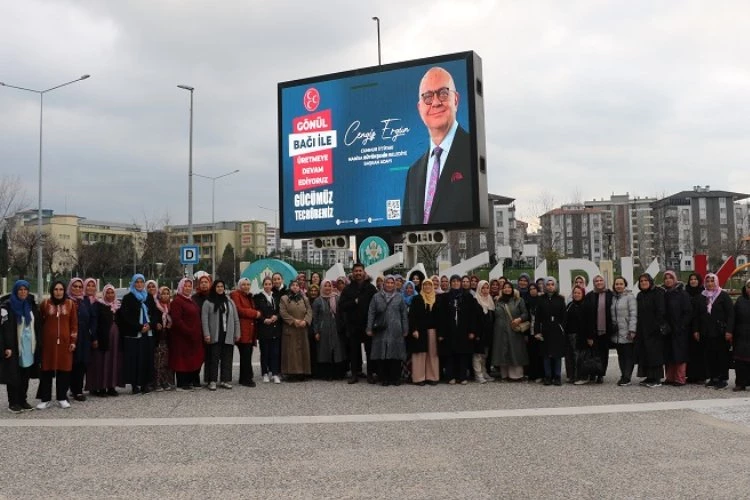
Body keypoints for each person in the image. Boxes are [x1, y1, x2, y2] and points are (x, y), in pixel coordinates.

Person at [402, 67, 472, 225]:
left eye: (443, 93)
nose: (435, 102)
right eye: (427, 96)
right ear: (420, 108)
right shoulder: (413, 173)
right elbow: (406, 231)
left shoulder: (473, 153)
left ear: (456, 99)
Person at [0, 280, 40, 413]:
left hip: (29, 346)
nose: (23, 292)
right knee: (13, 375)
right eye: (20, 290)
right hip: (14, 346)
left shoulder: (30, 305)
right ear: (16, 291)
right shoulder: (7, 306)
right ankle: (13, 402)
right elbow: (5, 329)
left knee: (25, 374)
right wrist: (7, 347)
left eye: (25, 290)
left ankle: (23, 400)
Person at [36, 281, 78, 409]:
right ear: (51, 291)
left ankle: (62, 397)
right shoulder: (45, 304)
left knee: (64, 370)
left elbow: (74, 324)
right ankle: (45, 398)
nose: (58, 292)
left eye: (61, 289)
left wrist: (73, 341)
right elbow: (39, 323)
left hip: (65, 344)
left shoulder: (70, 304)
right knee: (46, 371)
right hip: (48, 344)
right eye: (55, 289)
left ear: (64, 291)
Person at [693, 273, 734, 389]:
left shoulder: (723, 295)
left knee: (721, 355)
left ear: (716, 282)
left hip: (720, 332)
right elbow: (696, 315)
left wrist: (729, 330)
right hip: (705, 331)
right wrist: (696, 330)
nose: (710, 283)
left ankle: (722, 378)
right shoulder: (702, 296)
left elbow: (731, 314)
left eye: (712, 281)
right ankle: (713, 377)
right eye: (708, 281)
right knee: (709, 355)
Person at [118, 274, 156, 394]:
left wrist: (150, 325)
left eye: (141, 282)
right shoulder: (128, 298)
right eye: (137, 282)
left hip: (148, 333)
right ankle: (135, 385)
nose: (139, 284)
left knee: (146, 359)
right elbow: (126, 317)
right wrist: (139, 327)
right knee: (134, 359)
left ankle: (145, 383)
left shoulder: (149, 297)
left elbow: (155, 313)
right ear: (133, 283)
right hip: (134, 334)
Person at [339, 263, 378, 384]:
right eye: (356, 271)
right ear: (352, 273)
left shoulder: (371, 288)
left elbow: (376, 306)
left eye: (360, 271)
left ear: (364, 272)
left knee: (369, 350)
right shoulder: (347, 289)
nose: (358, 273)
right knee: (354, 351)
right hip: (353, 325)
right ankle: (354, 374)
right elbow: (342, 306)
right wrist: (353, 302)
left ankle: (370, 374)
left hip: (367, 324)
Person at [367, 275, 408, 386]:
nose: (389, 285)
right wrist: (369, 328)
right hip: (381, 329)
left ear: (394, 284)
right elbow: (371, 313)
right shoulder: (376, 297)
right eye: (387, 283)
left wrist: (405, 329)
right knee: (382, 353)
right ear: (383, 284)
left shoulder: (399, 297)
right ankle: (384, 378)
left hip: (396, 329)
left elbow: (404, 314)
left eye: (391, 283)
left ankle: (395, 378)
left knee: (396, 353)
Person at [437, 275, 476, 385]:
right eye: (453, 281)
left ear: (460, 283)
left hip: (463, 330)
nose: (455, 283)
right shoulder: (445, 297)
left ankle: (462, 376)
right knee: (450, 354)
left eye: (457, 281)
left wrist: (472, 331)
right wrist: (441, 333)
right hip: (449, 330)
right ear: (450, 283)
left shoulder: (467, 297)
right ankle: (451, 376)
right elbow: (441, 316)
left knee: (462, 354)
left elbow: (472, 316)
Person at [201, 280, 240, 390]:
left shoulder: (229, 302)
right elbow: (204, 319)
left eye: (222, 286)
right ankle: (212, 380)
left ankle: (225, 380)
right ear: (214, 288)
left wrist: (237, 333)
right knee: (213, 358)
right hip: (214, 334)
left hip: (227, 333)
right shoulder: (208, 302)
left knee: (227, 357)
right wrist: (206, 334)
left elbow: (235, 318)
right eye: (217, 286)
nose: (220, 288)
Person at [87, 284, 122, 397]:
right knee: (101, 363)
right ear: (104, 293)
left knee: (113, 361)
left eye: (112, 292)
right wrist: (95, 338)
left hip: (115, 339)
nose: (110, 295)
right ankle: (100, 387)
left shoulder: (117, 306)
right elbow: (94, 323)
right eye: (108, 292)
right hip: (102, 338)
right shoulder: (99, 305)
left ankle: (111, 386)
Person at [169, 278, 204, 391]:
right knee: (182, 360)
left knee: (192, 359)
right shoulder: (177, 301)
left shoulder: (190, 300)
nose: (188, 288)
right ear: (180, 287)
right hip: (182, 337)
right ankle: (182, 383)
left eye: (190, 286)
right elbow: (177, 320)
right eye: (186, 286)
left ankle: (190, 381)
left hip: (193, 336)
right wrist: (188, 331)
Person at [492, 281, 529, 381]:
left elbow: (525, 314)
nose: (507, 289)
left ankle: (516, 375)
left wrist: (519, 319)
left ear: (512, 289)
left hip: (514, 330)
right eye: (505, 287)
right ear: (502, 289)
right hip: (500, 331)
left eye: (509, 287)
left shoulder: (518, 300)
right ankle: (504, 375)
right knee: (503, 352)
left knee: (514, 351)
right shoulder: (498, 301)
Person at [68, 277, 97, 402]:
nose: (78, 289)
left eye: (80, 287)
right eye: (75, 286)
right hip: (70, 336)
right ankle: (67, 389)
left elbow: (92, 318)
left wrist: (92, 334)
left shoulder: (85, 301)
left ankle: (78, 391)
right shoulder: (66, 301)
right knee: (70, 363)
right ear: (70, 287)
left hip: (84, 336)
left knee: (81, 363)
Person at [635, 273, 666, 388]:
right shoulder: (640, 295)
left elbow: (661, 311)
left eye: (645, 280)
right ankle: (649, 376)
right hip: (643, 329)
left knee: (655, 354)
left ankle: (657, 379)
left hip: (654, 329)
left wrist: (656, 325)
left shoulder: (657, 293)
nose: (643, 282)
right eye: (641, 281)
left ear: (650, 281)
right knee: (645, 353)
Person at [662, 270, 692, 386]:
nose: (668, 280)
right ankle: (669, 377)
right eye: (666, 278)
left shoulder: (682, 293)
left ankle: (680, 378)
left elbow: (688, 311)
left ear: (674, 279)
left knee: (680, 354)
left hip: (680, 329)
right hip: (667, 329)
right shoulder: (663, 293)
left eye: (670, 278)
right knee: (668, 354)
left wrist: (682, 325)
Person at [312, 280, 347, 380]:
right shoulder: (318, 300)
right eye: (325, 286)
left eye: (329, 286)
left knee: (337, 351)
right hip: (323, 330)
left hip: (336, 329)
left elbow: (342, 313)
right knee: (324, 351)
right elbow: (315, 318)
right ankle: (326, 374)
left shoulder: (336, 298)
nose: (327, 288)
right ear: (322, 287)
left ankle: (337, 374)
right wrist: (316, 331)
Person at [534, 278, 566, 386]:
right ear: (544, 286)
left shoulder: (560, 299)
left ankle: (557, 376)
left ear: (555, 286)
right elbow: (537, 318)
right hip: (545, 330)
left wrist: (562, 327)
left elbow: (564, 316)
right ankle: (547, 376)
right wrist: (537, 331)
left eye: (552, 284)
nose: (550, 286)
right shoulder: (540, 299)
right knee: (546, 354)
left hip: (557, 330)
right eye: (548, 284)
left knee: (557, 354)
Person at [407, 278, 440, 386]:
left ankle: (432, 377)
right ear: (422, 286)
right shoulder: (417, 298)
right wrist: (414, 329)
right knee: (419, 354)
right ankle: (418, 378)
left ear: (432, 286)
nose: (427, 287)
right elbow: (412, 316)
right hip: (420, 331)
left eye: (429, 285)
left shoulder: (436, 299)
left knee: (432, 354)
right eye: (425, 285)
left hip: (432, 330)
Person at [279, 280, 312, 381]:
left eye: (297, 285)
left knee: (303, 351)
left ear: (299, 287)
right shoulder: (284, 298)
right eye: (293, 285)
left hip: (302, 328)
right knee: (291, 352)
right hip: (291, 329)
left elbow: (309, 310)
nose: (295, 287)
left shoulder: (304, 298)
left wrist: (306, 321)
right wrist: (294, 321)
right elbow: (283, 312)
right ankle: (291, 373)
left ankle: (303, 372)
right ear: (290, 287)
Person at [230, 278, 260, 387]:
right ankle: (247, 378)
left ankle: (243, 378)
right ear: (239, 285)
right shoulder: (235, 295)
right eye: (244, 284)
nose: (246, 286)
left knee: (246, 355)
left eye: (248, 284)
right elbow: (239, 310)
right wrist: (255, 313)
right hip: (242, 330)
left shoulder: (249, 296)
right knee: (245, 354)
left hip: (250, 330)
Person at [583, 275, 613, 383]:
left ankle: (601, 374)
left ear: (604, 282)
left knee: (604, 354)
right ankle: (592, 372)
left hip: (606, 330)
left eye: (601, 280)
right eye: (596, 281)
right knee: (592, 353)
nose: (599, 282)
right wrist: (589, 335)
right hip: (593, 330)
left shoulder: (610, 294)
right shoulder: (589, 296)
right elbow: (586, 316)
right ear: (593, 283)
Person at [610, 277, 637, 386]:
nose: (619, 286)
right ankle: (623, 375)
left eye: (621, 284)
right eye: (617, 284)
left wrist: (632, 330)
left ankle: (627, 377)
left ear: (625, 285)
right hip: (616, 333)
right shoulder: (613, 298)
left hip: (627, 331)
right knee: (621, 355)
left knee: (628, 355)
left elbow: (633, 314)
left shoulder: (630, 297)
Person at [255, 277, 282, 384]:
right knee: (265, 352)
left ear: (272, 285)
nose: (268, 286)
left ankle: (275, 373)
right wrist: (263, 319)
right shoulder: (258, 297)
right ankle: (265, 373)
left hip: (275, 328)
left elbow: (281, 310)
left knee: (275, 352)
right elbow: (256, 311)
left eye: (269, 284)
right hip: (264, 328)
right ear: (263, 285)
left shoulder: (276, 296)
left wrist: (277, 316)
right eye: (265, 284)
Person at [684, 272, 706, 384]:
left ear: (699, 281)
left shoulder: (703, 293)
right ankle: (691, 375)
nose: (693, 281)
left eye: (695, 279)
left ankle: (701, 375)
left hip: (700, 326)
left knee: (699, 351)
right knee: (689, 351)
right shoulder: (685, 292)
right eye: (691, 279)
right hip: (688, 326)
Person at [153, 286, 175, 391]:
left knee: (167, 361)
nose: (165, 295)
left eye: (167, 293)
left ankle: (165, 381)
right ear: (159, 295)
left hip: (168, 337)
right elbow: (153, 320)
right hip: (159, 338)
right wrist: (156, 324)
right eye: (163, 293)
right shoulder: (156, 306)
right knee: (158, 361)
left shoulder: (171, 307)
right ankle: (157, 382)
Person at [565, 286, 589, 384]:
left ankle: (582, 377)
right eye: (575, 293)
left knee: (580, 357)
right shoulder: (570, 305)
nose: (576, 295)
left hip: (581, 336)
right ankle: (572, 376)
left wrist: (589, 336)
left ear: (583, 294)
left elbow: (589, 322)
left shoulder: (586, 305)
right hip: (570, 335)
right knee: (571, 357)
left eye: (579, 293)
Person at [472, 280, 495, 383]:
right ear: (479, 288)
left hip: (488, 332)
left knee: (485, 354)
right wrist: (476, 333)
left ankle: (484, 372)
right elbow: (474, 319)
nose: (485, 290)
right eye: (483, 288)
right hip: (479, 332)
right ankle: (478, 374)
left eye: (487, 288)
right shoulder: (476, 300)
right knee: (478, 355)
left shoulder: (490, 299)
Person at [732, 278, 750, 391]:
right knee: (740, 361)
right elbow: (733, 317)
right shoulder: (740, 300)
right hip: (741, 333)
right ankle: (740, 383)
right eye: (749, 287)